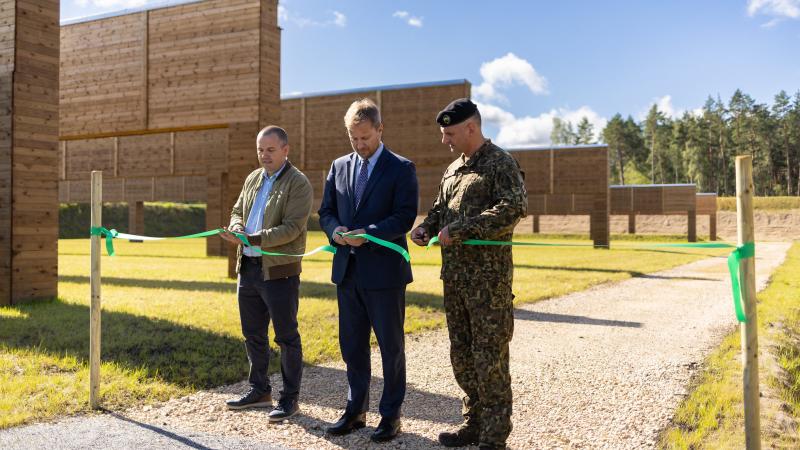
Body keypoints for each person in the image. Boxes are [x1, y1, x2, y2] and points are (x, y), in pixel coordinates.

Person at [410, 99, 527, 450]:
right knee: (462, 357)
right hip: (456, 280)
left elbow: (513, 208)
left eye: (449, 134)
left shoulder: (500, 163)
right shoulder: (452, 170)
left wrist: (461, 229)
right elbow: (440, 210)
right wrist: (426, 227)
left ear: (471, 128)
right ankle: (473, 424)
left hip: (488, 285)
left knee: (490, 359)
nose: (444, 140)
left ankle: (494, 437)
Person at [318, 98, 419, 442]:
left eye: (365, 137)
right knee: (352, 346)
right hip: (347, 272)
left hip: (385, 274)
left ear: (380, 129)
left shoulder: (401, 168)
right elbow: (326, 211)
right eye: (353, 138)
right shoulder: (338, 166)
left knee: (391, 347)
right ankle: (355, 411)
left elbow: (404, 217)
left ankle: (390, 416)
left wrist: (369, 234)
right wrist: (334, 230)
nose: (359, 145)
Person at [219, 125, 313, 423]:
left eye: (270, 150)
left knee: (286, 337)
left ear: (286, 150)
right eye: (260, 150)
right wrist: (237, 227)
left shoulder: (298, 183)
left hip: (279, 272)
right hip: (248, 268)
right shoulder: (253, 178)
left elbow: (292, 228)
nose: (264, 155)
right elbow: (237, 211)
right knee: (252, 334)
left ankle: (290, 399)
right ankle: (260, 391)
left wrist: (252, 238)